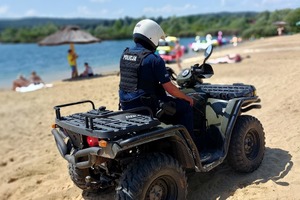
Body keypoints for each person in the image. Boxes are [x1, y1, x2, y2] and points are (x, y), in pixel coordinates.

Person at [118, 19, 201, 150]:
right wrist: (187, 98)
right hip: (146, 107)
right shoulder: (154, 59)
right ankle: (191, 147)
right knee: (185, 107)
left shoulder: (125, 54)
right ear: (152, 36)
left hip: (127, 105)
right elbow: (170, 89)